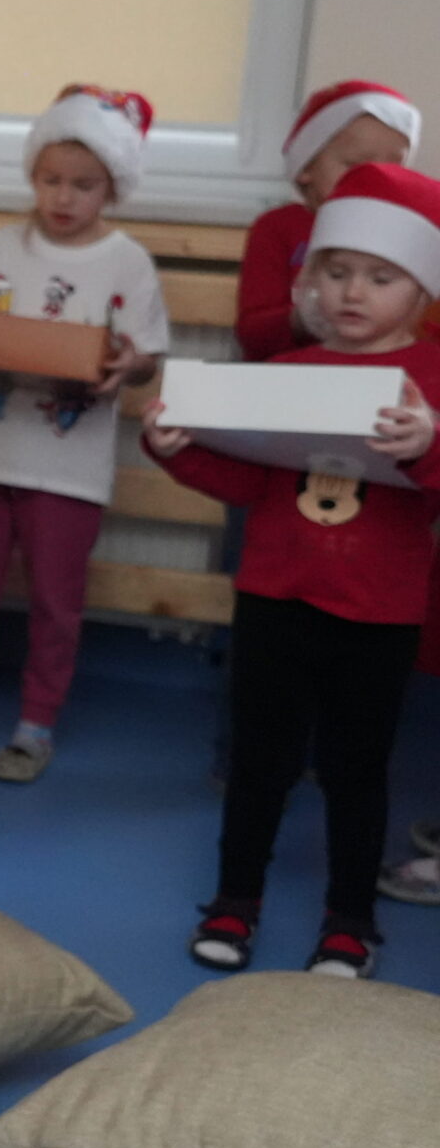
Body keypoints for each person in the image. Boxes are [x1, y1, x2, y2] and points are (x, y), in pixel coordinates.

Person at [146, 164, 440, 979]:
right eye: (337, 271)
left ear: (421, 290)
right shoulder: (288, 367)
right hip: (275, 596)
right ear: (311, 280)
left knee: (356, 772)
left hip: (378, 610)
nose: (354, 291)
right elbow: (249, 482)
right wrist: (173, 449)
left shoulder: (433, 376)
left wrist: (428, 444)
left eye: (380, 276)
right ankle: (234, 901)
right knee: (259, 763)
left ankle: (351, 923)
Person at [0, 85, 171, 783]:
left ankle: (35, 725)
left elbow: (148, 357)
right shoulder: (3, 244)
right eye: (51, 180)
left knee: (56, 603)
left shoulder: (128, 261)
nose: (64, 197)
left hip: (69, 468)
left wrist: (127, 365)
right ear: (33, 176)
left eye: (83, 185)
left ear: (112, 188)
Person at [236, 80, 421, 362]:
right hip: (290, 377)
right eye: (357, 166)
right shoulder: (277, 228)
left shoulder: (410, 232)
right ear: (306, 166)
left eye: (394, 168)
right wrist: (307, 317)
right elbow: (254, 338)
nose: (376, 179)